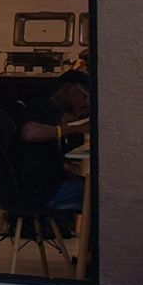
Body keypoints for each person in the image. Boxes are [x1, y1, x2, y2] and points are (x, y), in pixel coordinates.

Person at [16, 68, 90, 213]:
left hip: (47, 187)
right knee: (104, 195)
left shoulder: (55, 112)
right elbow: (29, 132)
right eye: (85, 96)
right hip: (43, 192)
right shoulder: (40, 108)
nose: (86, 103)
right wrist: (73, 128)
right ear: (68, 89)